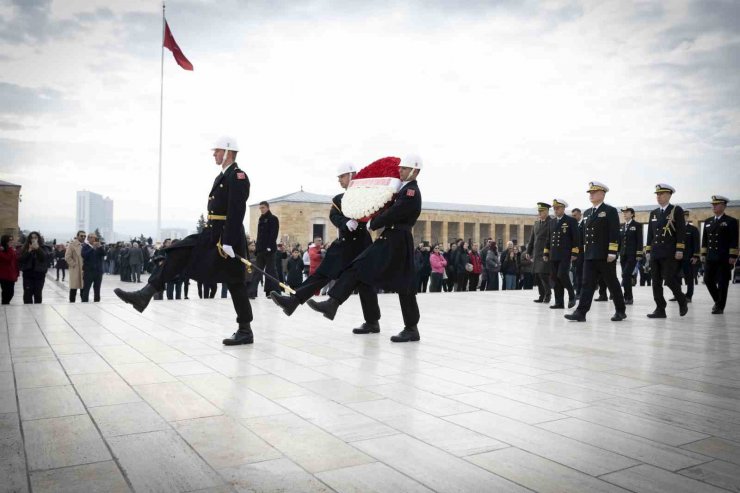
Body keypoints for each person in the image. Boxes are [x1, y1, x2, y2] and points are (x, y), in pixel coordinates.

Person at [114, 136, 255, 345]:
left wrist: (229, 241)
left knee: (236, 283)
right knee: (177, 252)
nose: (213, 155)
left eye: (216, 151)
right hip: (212, 233)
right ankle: (146, 293)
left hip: (225, 237)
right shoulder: (222, 177)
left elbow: (236, 211)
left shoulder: (238, 176)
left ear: (227, 152)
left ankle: (245, 330)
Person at [307, 154, 423, 343]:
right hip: (391, 238)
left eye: (404, 168)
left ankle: (411, 328)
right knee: (360, 268)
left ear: (415, 171)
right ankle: (335, 304)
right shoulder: (402, 189)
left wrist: (374, 222)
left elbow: (395, 211)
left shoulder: (411, 192)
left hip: (397, 240)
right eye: (400, 168)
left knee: (403, 285)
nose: (399, 171)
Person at [271, 162, 381, 335]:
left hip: (361, 244)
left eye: (342, 177)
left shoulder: (367, 195)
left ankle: (372, 321)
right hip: (344, 243)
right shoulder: (339, 199)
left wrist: (363, 222)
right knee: (322, 273)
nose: (339, 180)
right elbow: (333, 215)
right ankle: (293, 301)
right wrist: (345, 222)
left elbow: (376, 211)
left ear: (352, 175)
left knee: (365, 283)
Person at [565, 182, 626, 322]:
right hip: (590, 255)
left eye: (594, 192)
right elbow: (585, 236)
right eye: (590, 193)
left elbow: (614, 232)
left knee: (612, 283)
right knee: (587, 284)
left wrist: (612, 252)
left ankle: (620, 310)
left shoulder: (610, 211)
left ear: (603, 194)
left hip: (605, 255)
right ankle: (581, 312)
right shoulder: (587, 213)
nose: (591, 195)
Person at [645, 184, 688, 318]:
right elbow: (650, 234)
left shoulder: (676, 210)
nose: (659, 197)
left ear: (669, 195)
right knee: (656, 282)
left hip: (669, 252)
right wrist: (648, 250)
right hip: (656, 252)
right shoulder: (654, 213)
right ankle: (660, 309)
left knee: (669, 279)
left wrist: (680, 249)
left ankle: (682, 299)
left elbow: (681, 231)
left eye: (662, 194)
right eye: (657, 194)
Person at [701, 195, 738, 314]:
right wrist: (703, 253)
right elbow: (705, 240)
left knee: (723, 282)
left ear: (723, 206)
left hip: (723, 257)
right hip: (710, 257)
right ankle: (718, 300)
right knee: (707, 279)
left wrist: (733, 256)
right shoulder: (708, 221)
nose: (714, 206)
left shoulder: (731, 221)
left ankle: (720, 307)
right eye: (713, 204)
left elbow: (734, 240)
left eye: (716, 204)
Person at [543, 199, 579, 309]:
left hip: (565, 254)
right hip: (554, 254)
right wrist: (546, 253)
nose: (555, 210)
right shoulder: (552, 222)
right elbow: (548, 239)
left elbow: (576, 238)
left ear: (563, 208)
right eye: (554, 208)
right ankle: (559, 302)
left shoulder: (570, 221)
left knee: (562, 275)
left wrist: (575, 252)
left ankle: (572, 295)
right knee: (554, 277)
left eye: (557, 208)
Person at [526, 202, 554, 303]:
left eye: (541, 211)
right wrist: (528, 251)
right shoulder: (537, 223)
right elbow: (532, 239)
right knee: (538, 275)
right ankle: (541, 296)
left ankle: (548, 294)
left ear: (547, 211)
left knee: (543, 274)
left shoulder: (551, 222)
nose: (539, 213)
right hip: (536, 253)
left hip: (545, 252)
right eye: (539, 211)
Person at [252, 201, 280, 298]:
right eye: (260, 208)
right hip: (260, 250)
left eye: (263, 207)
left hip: (269, 250)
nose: (261, 209)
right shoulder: (261, 219)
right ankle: (252, 292)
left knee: (270, 271)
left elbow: (273, 234)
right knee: (257, 271)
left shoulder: (273, 219)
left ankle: (273, 292)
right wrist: (257, 248)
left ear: (268, 207)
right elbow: (259, 235)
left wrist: (269, 247)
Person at [672, 210, 700, 303]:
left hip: (688, 257)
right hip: (676, 257)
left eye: (684, 216)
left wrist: (695, 256)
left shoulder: (693, 229)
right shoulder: (675, 229)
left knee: (689, 277)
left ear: (687, 217)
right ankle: (677, 295)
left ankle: (689, 296)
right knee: (675, 277)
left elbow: (696, 244)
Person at [618, 207, 643, 305]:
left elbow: (639, 240)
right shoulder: (622, 226)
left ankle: (628, 297)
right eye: (623, 212)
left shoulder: (637, 225)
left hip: (632, 255)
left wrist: (639, 253)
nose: (624, 214)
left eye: (627, 212)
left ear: (632, 214)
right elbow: (620, 241)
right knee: (625, 276)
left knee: (626, 274)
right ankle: (628, 297)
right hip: (623, 254)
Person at [19, 232, 48, 304]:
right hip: (28, 275)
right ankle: (27, 311)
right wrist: (29, 251)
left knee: (38, 294)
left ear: (38, 238)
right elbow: (21, 259)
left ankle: (38, 312)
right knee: (27, 294)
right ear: (29, 239)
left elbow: (44, 258)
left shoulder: (43, 248)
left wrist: (38, 248)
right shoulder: (25, 248)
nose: (33, 239)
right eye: (32, 237)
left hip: (39, 275)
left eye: (35, 237)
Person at [81, 233, 105, 302]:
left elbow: (104, 254)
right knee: (86, 288)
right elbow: (84, 255)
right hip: (88, 271)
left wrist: (100, 246)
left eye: (94, 237)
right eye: (91, 237)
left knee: (97, 288)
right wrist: (92, 248)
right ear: (88, 239)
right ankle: (84, 302)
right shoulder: (85, 246)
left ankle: (97, 302)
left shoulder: (99, 247)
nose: (93, 239)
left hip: (98, 271)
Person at [65, 230, 85, 302]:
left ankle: (84, 303)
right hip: (75, 270)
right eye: (81, 236)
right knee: (74, 288)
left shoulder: (85, 245)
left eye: (84, 236)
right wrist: (74, 264)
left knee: (83, 288)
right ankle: (72, 302)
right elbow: (67, 257)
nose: (83, 237)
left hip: (84, 270)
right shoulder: (72, 245)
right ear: (77, 236)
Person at [0, 235, 19, 304]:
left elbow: (15, 261)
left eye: (12, 239)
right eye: (9, 240)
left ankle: (5, 304)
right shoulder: (3, 250)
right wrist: (11, 248)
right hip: (4, 275)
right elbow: (8, 258)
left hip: (11, 274)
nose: (11, 241)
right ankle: (4, 306)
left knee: (10, 293)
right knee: (7, 293)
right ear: (5, 241)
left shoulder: (11, 249)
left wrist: (17, 273)